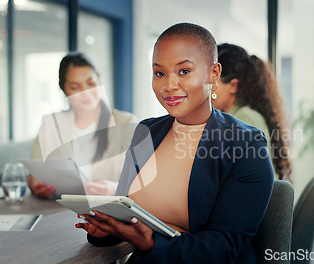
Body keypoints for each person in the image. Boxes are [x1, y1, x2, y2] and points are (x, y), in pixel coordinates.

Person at [75, 23, 274, 263]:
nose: (169, 85)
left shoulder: (247, 144)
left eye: (184, 71)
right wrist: (107, 230)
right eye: (159, 73)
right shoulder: (146, 131)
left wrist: (152, 244)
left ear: (214, 74)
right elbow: (125, 211)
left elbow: (226, 246)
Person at [29, 52, 137, 198]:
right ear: (64, 90)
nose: (86, 93)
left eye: (91, 83)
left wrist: (116, 189)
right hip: (59, 208)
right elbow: (34, 174)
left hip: (108, 209)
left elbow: (144, 179)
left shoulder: (126, 124)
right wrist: (36, 186)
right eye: (75, 87)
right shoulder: (50, 125)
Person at [212, 43, 292, 181]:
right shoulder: (245, 114)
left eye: (213, 81)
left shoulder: (244, 118)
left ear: (233, 85)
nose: (207, 89)